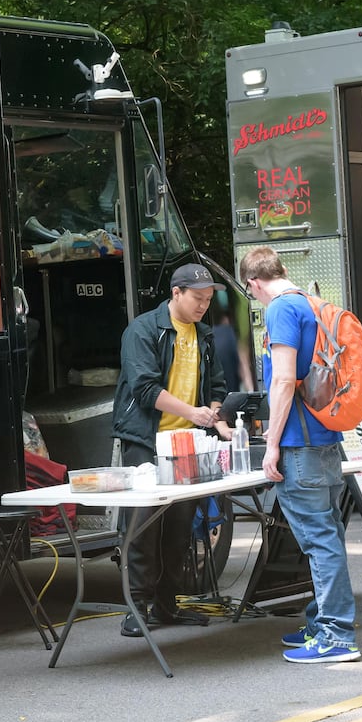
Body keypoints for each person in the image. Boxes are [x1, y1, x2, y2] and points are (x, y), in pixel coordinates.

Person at [240, 245, 360, 663]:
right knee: (329, 535)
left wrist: (270, 444)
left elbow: (285, 379)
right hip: (326, 436)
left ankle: (336, 635)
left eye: (251, 292)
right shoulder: (314, 303)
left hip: (298, 443)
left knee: (320, 541)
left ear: (254, 283)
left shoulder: (280, 310)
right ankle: (321, 620)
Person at [111, 262, 230, 638]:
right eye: (197, 298)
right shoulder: (142, 330)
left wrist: (215, 409)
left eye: (209, 300)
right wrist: (193, 412)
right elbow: (144, 389)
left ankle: (167, 604)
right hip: (146, 439)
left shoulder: (203, 334)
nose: (203, 306)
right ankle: (137, 606)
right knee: (143, 526)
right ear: (175, 293)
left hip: (187, 443)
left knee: (180, 528)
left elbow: (217, 384)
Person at [211, 294, 254, 395]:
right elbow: (243, 367)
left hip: (212, 400)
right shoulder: (231, 336)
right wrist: (251, 391)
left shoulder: (205, 338)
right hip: (232, 396)